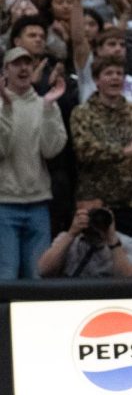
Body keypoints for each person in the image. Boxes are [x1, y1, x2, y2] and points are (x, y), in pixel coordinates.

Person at [70, 54, 132, 247]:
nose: (116, 78)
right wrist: (126, 152)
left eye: (120, 74)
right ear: (97, 80)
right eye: (109, 73)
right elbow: (84, 151)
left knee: (130, 265)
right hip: (94, 203)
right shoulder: (82, 113)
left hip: (131, 203)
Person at [0, 45, 66, 279]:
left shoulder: (46, 104)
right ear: (5, 71)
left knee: (37, 278)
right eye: (16, 63)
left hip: (38, 203)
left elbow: (52, 149)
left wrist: (48, 108)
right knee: (5, 276)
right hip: (4, 203)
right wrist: (6, 109)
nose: (23, 68)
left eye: (27, 63)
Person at [38, 198, 132, 277]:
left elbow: (129, 280)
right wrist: (71, 235)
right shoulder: (66, 239)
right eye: (86, 214)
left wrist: (112, 240)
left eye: (96, 213)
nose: (92, 219)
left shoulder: (128, 243)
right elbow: (43, 271)